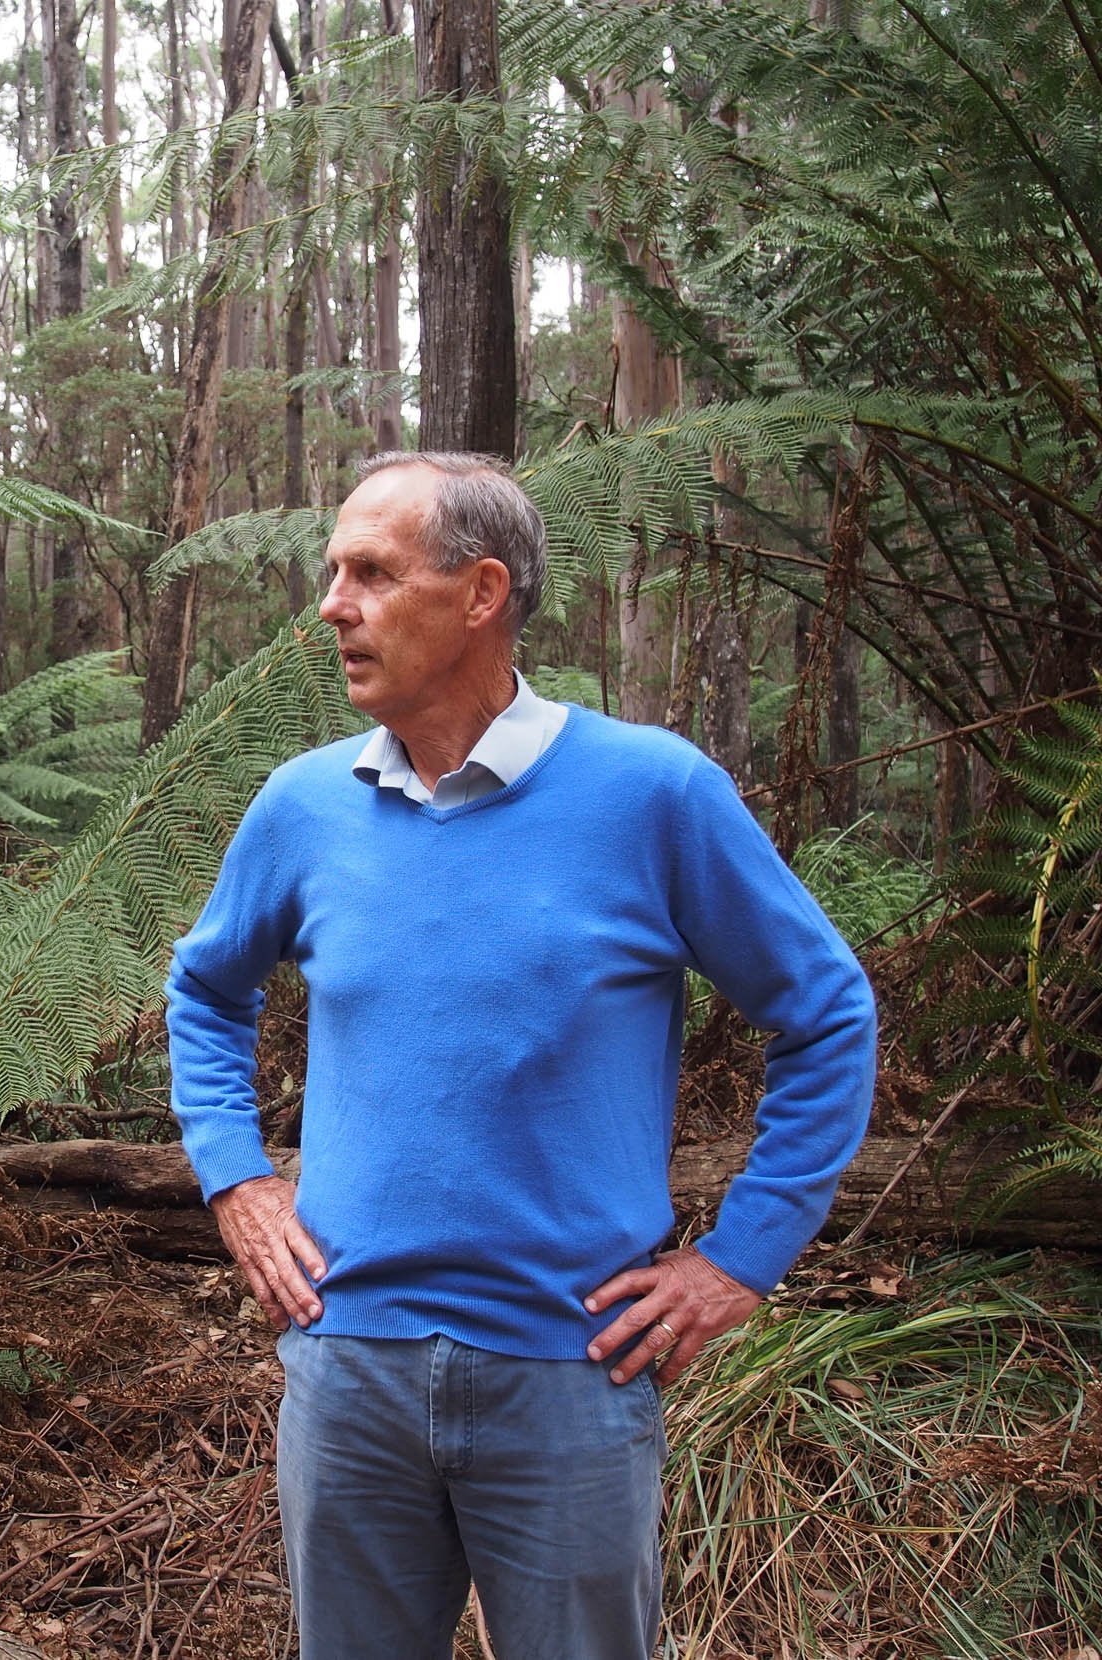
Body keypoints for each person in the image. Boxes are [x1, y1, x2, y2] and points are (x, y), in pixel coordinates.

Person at [165, 452, 876, 1660]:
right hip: (348, 1369)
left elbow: (824, 1014)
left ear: (480, 591)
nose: (331, 603)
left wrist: (737, 1261)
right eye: (332, 571)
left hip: (569, 1374)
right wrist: (236, 1177)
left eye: (371, 573)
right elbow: (203, 988)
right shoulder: (302, 806)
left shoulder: (652, 794)